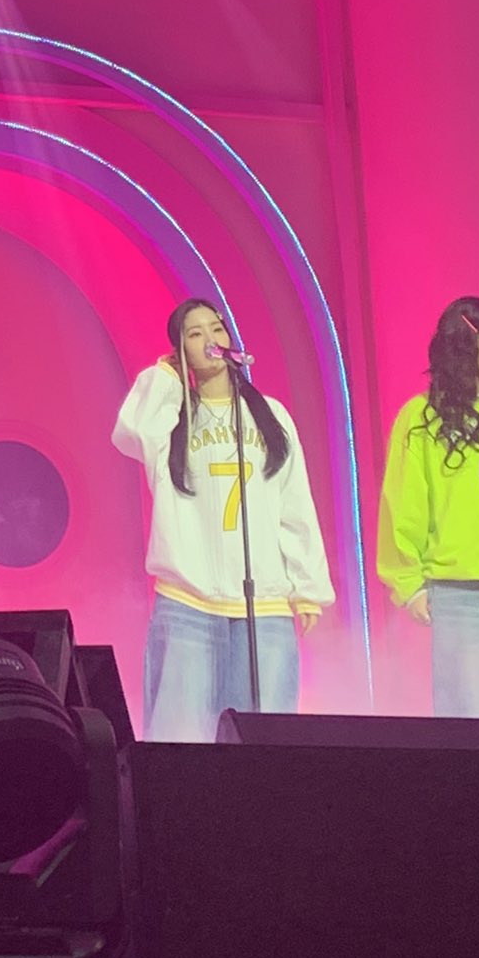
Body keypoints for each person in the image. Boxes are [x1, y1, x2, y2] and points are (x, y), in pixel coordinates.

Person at [112, 297, 334, 740]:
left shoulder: (271, 415)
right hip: (187, 603)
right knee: (179, 740)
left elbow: (294, 502)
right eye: (194, 334)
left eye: (216, 328)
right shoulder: (171, 419)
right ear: (180, 351)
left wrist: (307, 588)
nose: (210, 339)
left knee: (263, 742)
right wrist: (165, 378)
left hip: (263, 605)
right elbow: (129, 432)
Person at [377, 295, 479, 717]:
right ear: (467, 344)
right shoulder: (422, 417)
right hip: (465, 592)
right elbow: (404, 501)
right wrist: (408, 582)